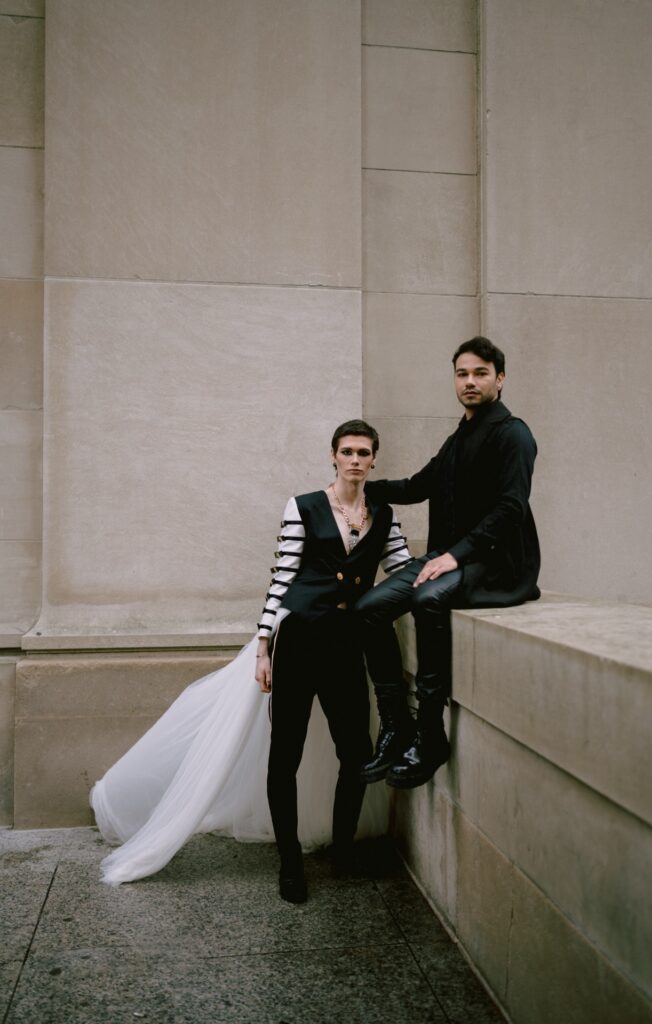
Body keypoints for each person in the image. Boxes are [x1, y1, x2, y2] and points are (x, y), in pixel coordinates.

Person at [91, 419, 412, 903]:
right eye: (347, 451)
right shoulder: (303, 506)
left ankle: (343, 851)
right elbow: (282, 577)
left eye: (363, 453)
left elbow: (402, 568)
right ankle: (290, 863)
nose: (355, 460)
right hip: (299, 641)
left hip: (349, 645)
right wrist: (263, 647)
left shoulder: (383, 514)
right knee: (286, 753)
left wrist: (441, 575)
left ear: (373, 460)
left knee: (356, 752)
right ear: (333, 456)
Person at [357, 336, 541, 790]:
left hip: (496, 563)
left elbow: (511, 508)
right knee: (368, 609)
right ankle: (397, 725)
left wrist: (455, 556)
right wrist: (358, 488)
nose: (470, 382)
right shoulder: (458, 437)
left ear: (500, 378)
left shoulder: (514, 434)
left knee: (428, 599)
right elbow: (418, 486)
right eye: (462, 374)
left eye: (480, 373)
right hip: (450, 557)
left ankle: (430, 733)